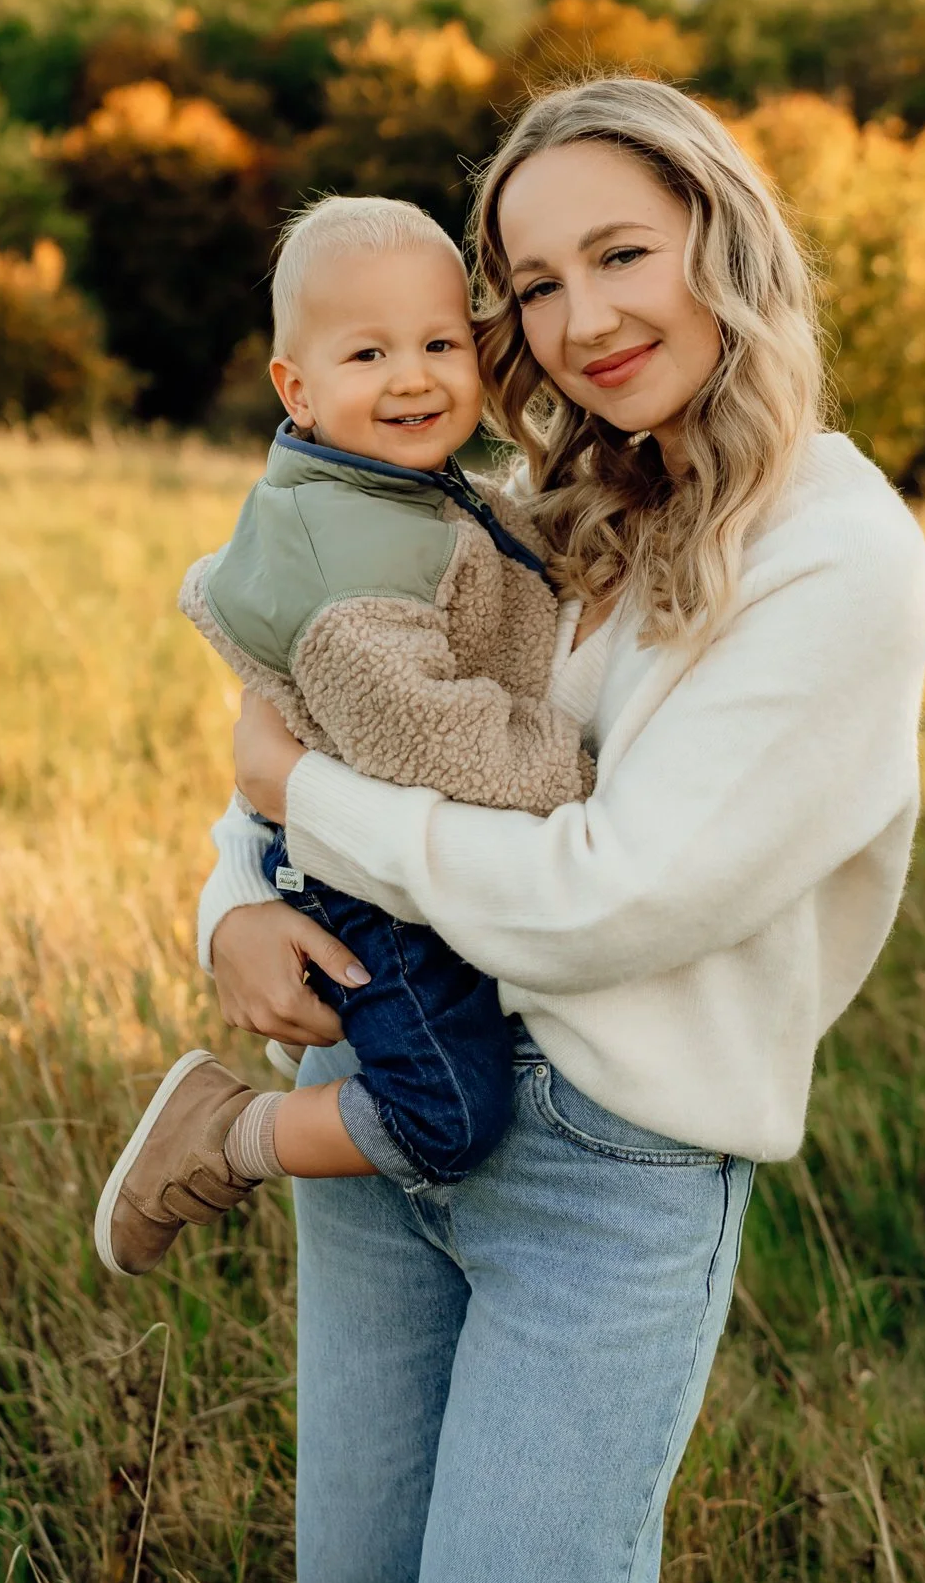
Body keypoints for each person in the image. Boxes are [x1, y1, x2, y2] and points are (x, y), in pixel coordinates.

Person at [204, 77, 925, 1583]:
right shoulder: (537, 504)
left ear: (720, 239)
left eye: (621, 252)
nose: (586, 317)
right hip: (377, 1089)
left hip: (610, 1165)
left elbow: (611, 896)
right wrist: (234, 902)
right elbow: (325, 714)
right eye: (535, 284)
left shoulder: (840, 549)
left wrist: (299, 798)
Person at [94, 196, 595, 1278]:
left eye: (439, 343)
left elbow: (497, 549)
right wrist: (586, 774)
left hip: (393, 850)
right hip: (368, 888)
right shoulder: (345, 559)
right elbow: (436, 739)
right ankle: (226, 1133)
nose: (413, 376)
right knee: (452, 1114)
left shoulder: (393, 485)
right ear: (296, 386)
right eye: (369, 352)